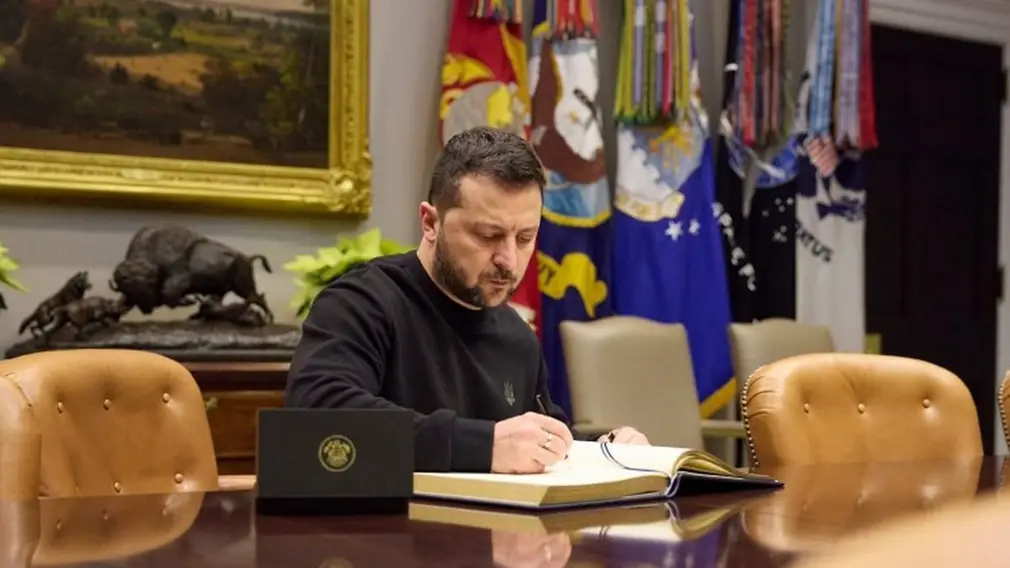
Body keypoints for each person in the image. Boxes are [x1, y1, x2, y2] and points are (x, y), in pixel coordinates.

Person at [286, 126, 649, 474]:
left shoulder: (517, 337)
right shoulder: (361, 304)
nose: (509, 260)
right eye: (489, 236)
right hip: (393, 518)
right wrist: (485, 446)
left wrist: (605, 449)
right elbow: (318, 417)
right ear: (430, 223)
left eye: (525, 238)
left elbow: (542, 442)